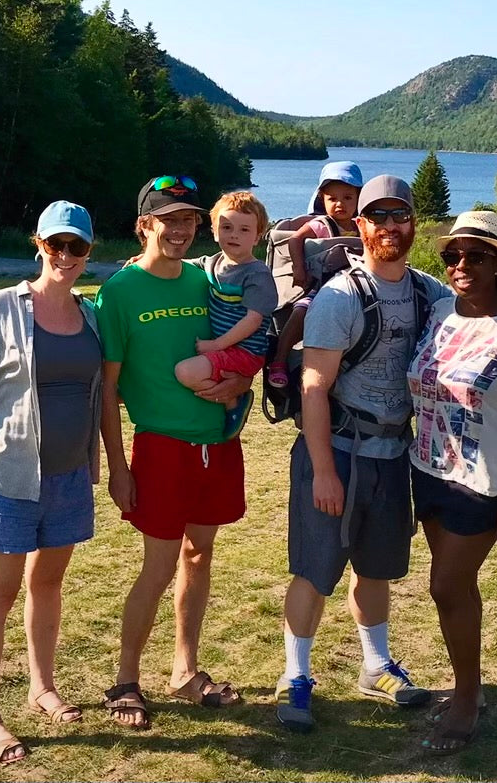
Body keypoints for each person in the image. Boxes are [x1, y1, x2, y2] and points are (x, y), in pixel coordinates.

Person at [274, 176, 497, 734]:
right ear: (361, 226)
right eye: (377, 217)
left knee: (376, 567)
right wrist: (324, 470)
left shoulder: (431, 293)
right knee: (317, 567)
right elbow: (312, 386)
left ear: (413, 224)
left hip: (398, 455)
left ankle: (375, 665)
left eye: (399, 215)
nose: (389, 227)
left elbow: (487, 311)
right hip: (341, 450)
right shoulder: (340, 297)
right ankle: (295, 676)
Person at [0, 201, 102, 765]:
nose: (64, 256)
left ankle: (42, 687)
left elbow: (97, 395)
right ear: (38, 244)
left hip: (67, 479)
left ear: (89, 251)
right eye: (55, 245)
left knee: (48, 586)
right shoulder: (0, 308)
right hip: (6, 477)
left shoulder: (93, 316)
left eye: (76, 247)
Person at [95, 175, 251, 731]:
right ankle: (126, 679)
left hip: (217, 442)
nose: (181, 229)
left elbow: (239, 346)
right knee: (158, 567)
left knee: (198, 555)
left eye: (189, 219)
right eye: (169, 219)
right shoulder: (119, 291)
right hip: (160, 444)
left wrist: (238, 387)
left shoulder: (202, 280)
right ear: (145, 225)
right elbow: (107, 389)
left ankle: (185, 671)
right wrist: (117, 466)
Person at [410, 212, 497, 755]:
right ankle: (470, 685)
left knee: (445, 586)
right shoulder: (438, 311)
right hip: (428, 470)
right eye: (451, 255)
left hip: (483, 481)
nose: (461, 265)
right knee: (457, 588)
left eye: (476, 255)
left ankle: (466, 698)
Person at [175, 191, 278, 439]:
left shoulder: (257, 275)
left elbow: (253, 321)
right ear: (213, 230)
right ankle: (228, 392)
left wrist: (216, 345)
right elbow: (183, 263)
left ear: (257, 237)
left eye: (244, 230)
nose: (234, 235)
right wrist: (145, 260)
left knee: (184, 372)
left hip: (246, 352)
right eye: (227, 227)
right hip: (224, 350)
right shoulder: (214, 262)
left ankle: (233, 400)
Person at [267, 161, 363, 389]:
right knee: (303, 309)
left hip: (358, 291)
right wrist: (299, 267)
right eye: (333, 199)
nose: (340, 204)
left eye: (348, 198)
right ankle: (280, 360)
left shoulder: (362, 225)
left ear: (359, 197)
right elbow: (295, 239)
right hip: (322, 289)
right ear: (322, 198)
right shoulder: (321, 224)